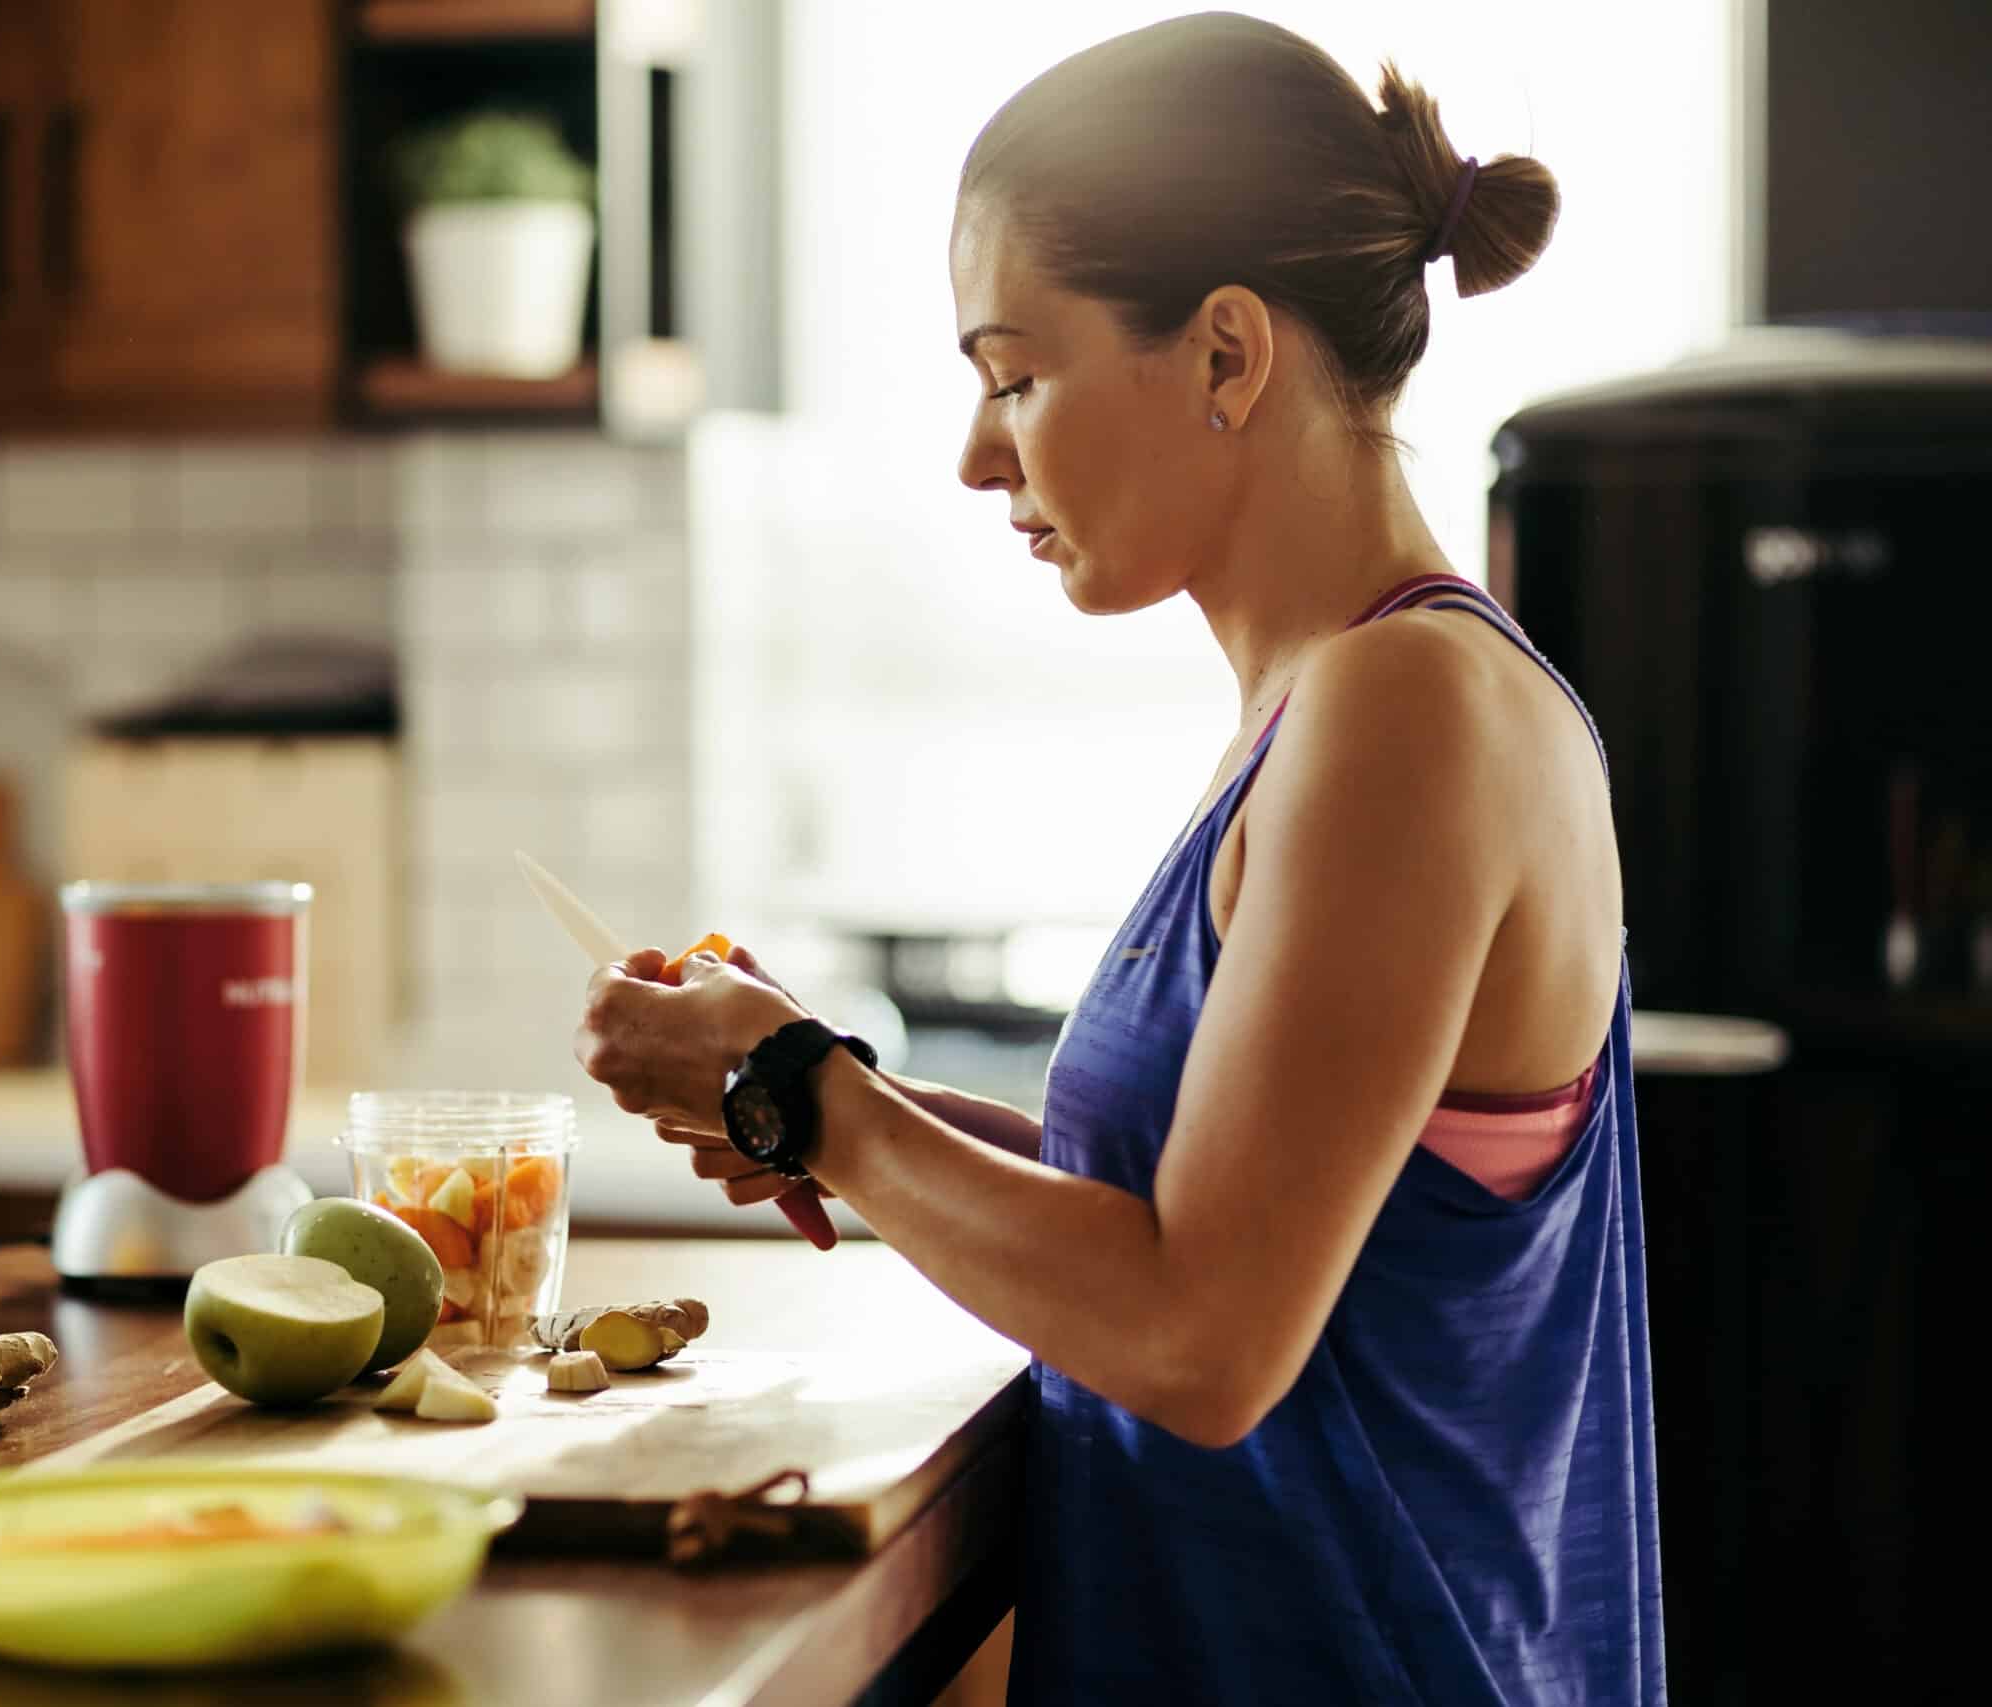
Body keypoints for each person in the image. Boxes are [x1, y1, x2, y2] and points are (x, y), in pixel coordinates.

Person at [571, 13, 1662, 1704]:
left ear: (1230, 355)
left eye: (1015, 372)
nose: (978, 450)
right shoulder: (1334, 707)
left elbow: (1204, 1339)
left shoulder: (1407, 713)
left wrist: (809, 1098)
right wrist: (823, 1093)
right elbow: (1214, 1203)